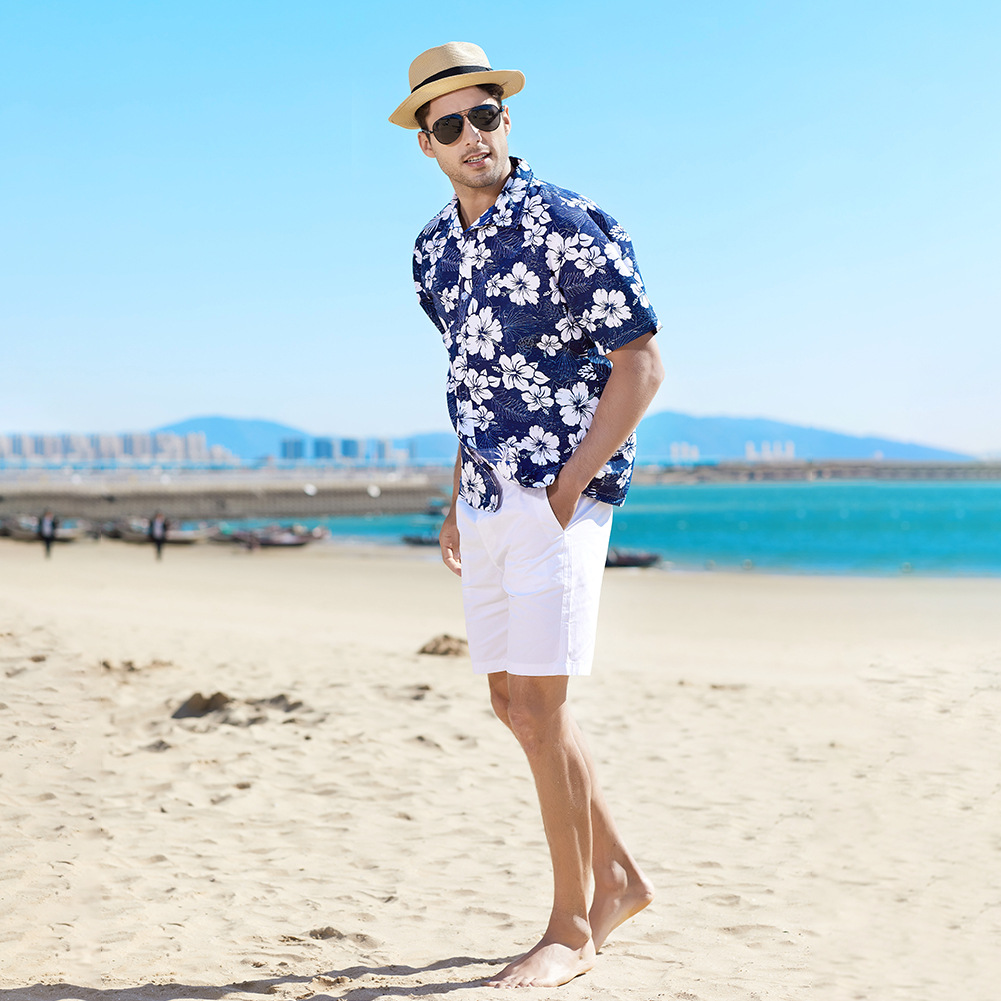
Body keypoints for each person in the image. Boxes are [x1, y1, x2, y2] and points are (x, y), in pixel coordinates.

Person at [392, 42, 665, 988]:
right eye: (451, 124)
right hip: (483, 497)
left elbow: (641, 364)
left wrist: (570, 483)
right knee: (512, 703)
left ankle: (570, 927)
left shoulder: (567, 223)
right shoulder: (432, 250)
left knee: (542, 706)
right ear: (426, 143)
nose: (475, 136)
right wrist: (456, 495)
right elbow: (470, 378)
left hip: (562, 495)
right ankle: (618, 878)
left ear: (506, 119)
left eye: (487, 115)